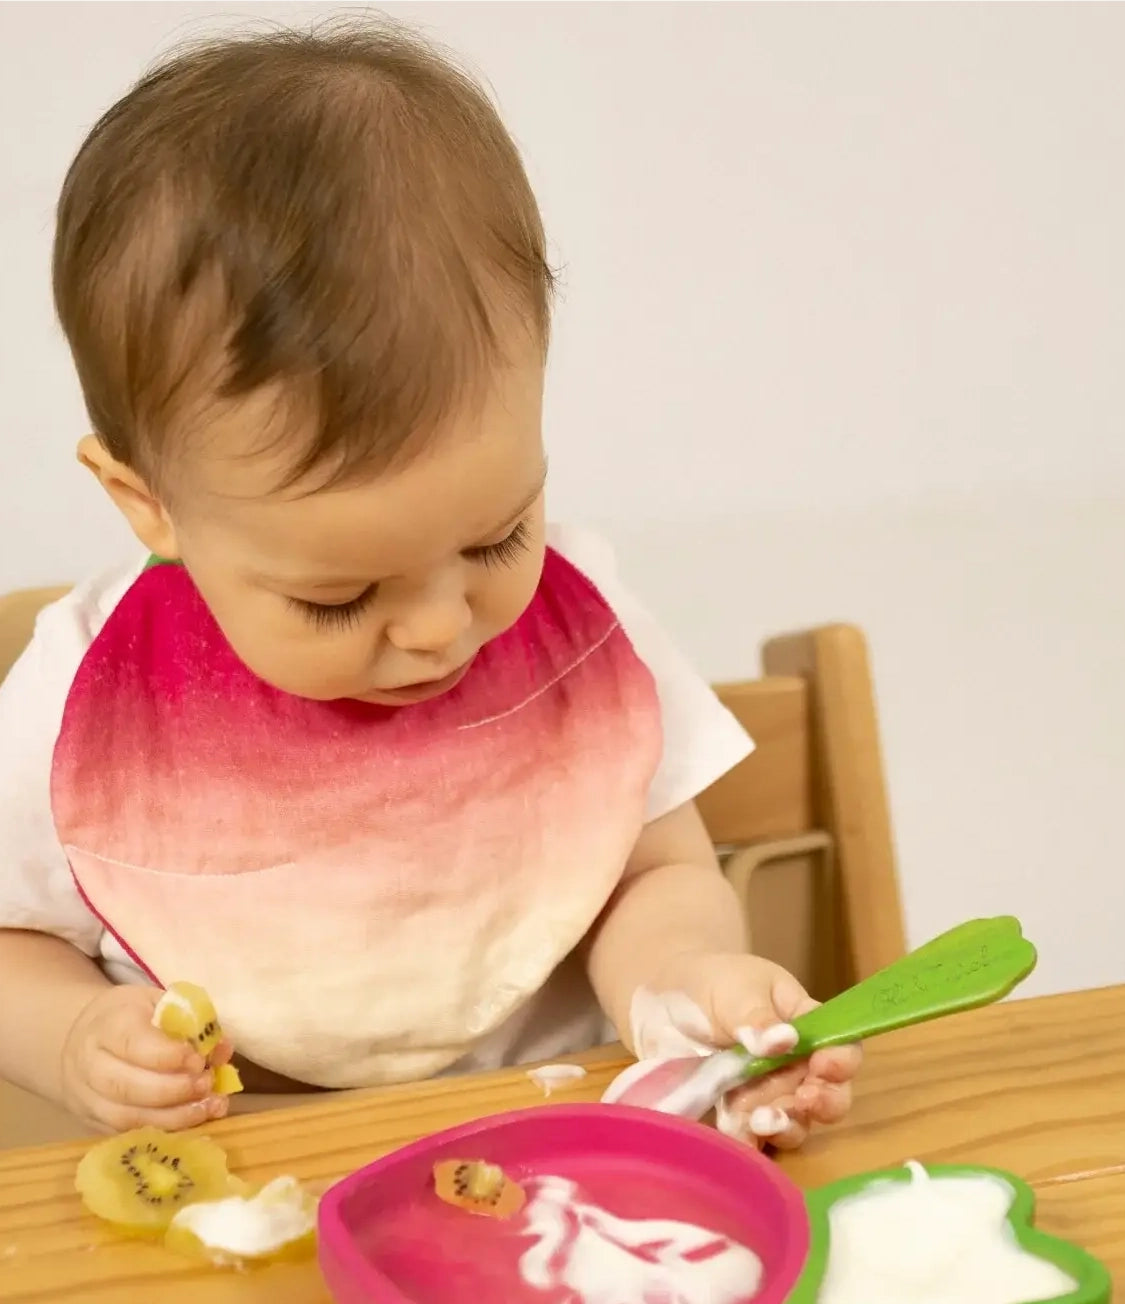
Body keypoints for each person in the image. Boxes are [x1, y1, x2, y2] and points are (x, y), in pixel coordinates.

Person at [0, 19, 859, 1142]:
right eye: (339, 598)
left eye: (497, 539)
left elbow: (653, 870)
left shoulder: (581, 628)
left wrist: (685, 981)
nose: (440, 627)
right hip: (263, 1180)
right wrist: (72, 1037)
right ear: (147, 501)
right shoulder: (81, 704)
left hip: (567, 1148)